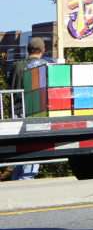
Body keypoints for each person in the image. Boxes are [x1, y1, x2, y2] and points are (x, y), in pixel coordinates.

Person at [5, 38, 51, 180]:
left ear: (27, 50)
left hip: (17, 112)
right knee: (33, 151)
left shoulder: (16, 66)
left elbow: (8, 88)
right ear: (42, 50)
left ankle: (17, 183)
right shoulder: (44, 66)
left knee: (20, 151)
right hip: (35, 114)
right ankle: (25, 182)